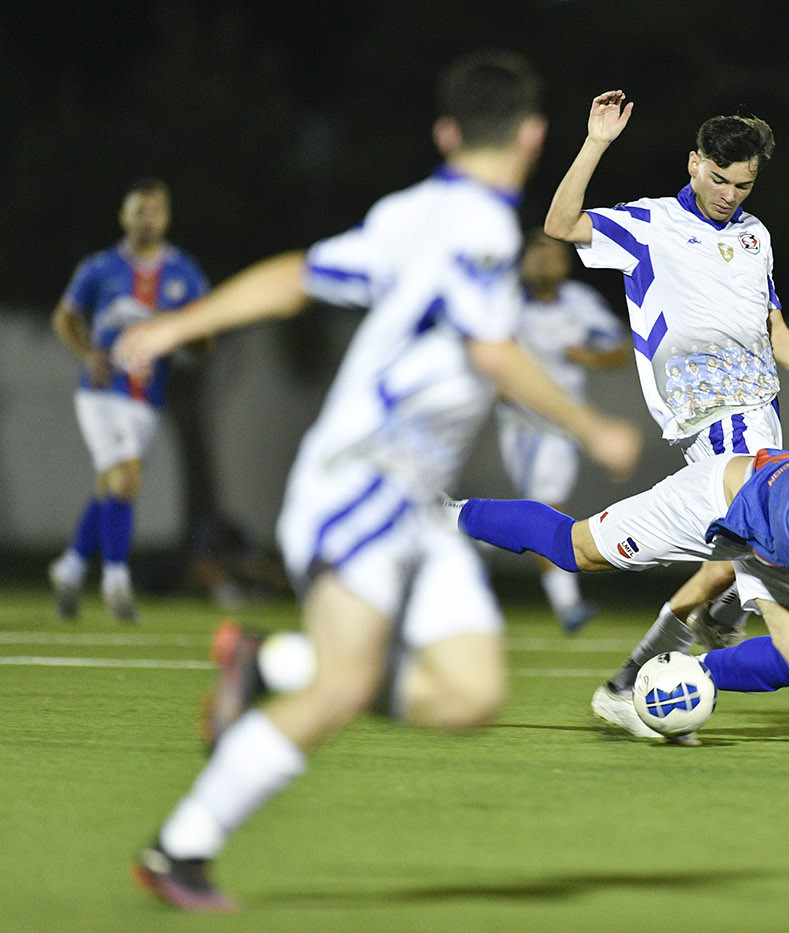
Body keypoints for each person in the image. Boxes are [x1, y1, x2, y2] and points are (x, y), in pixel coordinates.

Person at [114, 51, 641, 912]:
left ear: (444, 133)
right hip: (361, 480)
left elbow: (295, 275)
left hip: (413, 504)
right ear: (536, 134)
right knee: (344, 686)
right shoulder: (475, 227)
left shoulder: (410, 211)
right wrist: (590, 425)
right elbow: (489, 350)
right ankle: (181, 848)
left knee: (471, 692)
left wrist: (178, 325)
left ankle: (270, 660)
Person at [543, 90, 789, 736]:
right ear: (694, 163)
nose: (732, 194)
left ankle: (645, 672)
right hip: (720, 427)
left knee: (730, 562)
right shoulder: (650, 226)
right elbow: (561, 225)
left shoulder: (755, 236)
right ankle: (664, 663)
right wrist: (596, 143)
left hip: (762, 418)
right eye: (721, 178)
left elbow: (773, 330)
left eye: (746, 183)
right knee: (773, 579)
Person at [451, 449, 789, 736]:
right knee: (575, 550)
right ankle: (449, 514)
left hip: (769, 543)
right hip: (717, 505)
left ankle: (690, 678)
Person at [48, 178, 209, 621]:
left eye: (154, 211)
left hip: (146, 399)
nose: (146, 219)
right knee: (126, 479)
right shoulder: (100, 268)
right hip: (100, 394)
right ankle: (116, 582)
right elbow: (64, 318)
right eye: (138, 210)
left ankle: (70, 567)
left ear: (167, 217)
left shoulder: (184, 273)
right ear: (123, 216)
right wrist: (88, 353)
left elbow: (204, 336)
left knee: (111, 487)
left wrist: (194, 338)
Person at [496, 230, 631, 633]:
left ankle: (566, 602)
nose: (542, 263)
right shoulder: (504, 303)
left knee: (546, 504)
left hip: (564, 425)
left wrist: (589, 356)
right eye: (534, 255)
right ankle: (563, 598)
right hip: (520, 425)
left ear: (565, 262)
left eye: (550, 255)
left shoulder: (579, 303)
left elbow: (620, 349)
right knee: (544, 505)